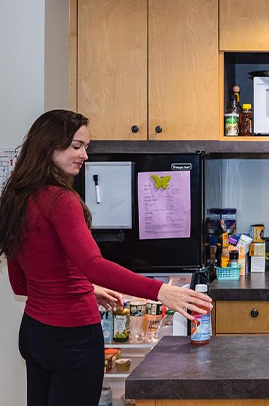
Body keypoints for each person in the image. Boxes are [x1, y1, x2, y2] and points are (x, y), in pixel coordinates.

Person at [0, 109, 213, 406]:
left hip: (35, 335)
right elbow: (92, 265)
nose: (85, 155)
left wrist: (86, 289)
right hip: (72, 339)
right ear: (48, 146)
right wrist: (161, 291)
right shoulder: (61, 201)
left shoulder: (15, 199)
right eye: (77, 146)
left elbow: (22, 284)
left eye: (86, 147)